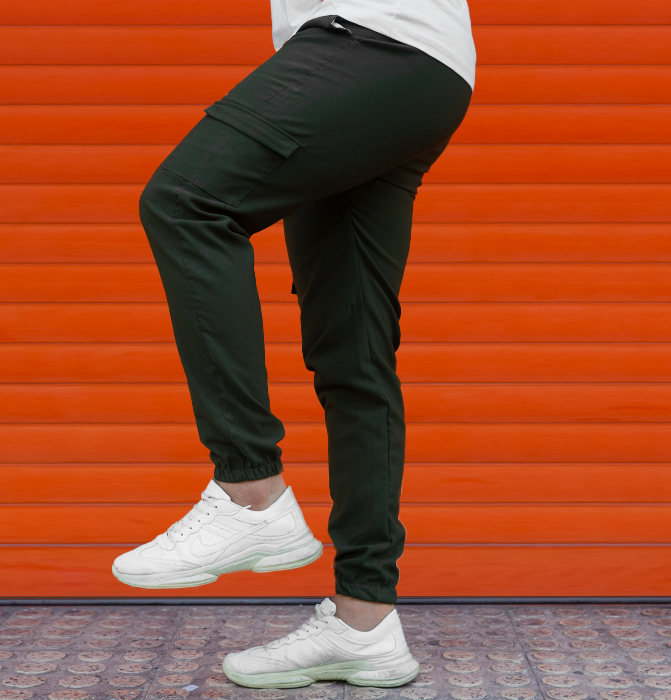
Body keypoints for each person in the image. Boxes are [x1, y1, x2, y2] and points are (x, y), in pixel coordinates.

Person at [112, 0, 476, 688]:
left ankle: (249, 490)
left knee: (187, 201)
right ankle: (365, 624)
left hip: (373, 39)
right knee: (355, 354)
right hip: (421, 65)